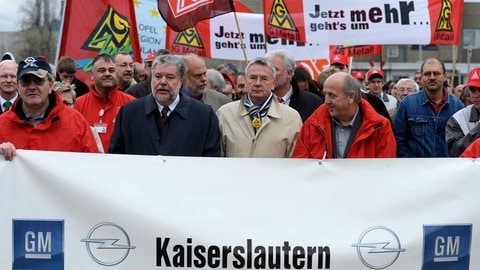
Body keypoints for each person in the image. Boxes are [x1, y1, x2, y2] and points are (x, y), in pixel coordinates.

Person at [109, 54, 221, 156]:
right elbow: (116, 156)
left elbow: (211, 160)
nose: (162, 82)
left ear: (181, 81)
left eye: (170, 77)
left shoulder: (204, 115)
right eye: (158, 76)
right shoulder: (129, 113)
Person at [0, 56, 99, 160]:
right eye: (26, 81)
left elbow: (93, 166)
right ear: (18, 86)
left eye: (39, 80)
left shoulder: (76, 123)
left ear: (51, 85)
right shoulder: (2, 124)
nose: (32, 87)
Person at [292, 72, 396, 159]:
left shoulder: (380, 128)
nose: (326, 101)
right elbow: (301, 167)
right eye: (325, 95)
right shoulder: (312, 125)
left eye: (332, 95)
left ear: (351, 97)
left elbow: (385, 170)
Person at [216, 57, 302, 157]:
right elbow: (217, 159)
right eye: (253, 78)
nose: (257, 83)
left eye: (264, 79)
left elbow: (296, 162)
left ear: (273, 83)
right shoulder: (225, 114)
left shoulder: (291, 117)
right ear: (245, 81)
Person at [394, 57, 464, 157]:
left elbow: (462, 144)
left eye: (436, 73)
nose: (432, 77)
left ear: (445, 76)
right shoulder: (407, 104)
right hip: (416, 170)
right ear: (422, 77)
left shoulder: (458, 106)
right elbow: (398, 140)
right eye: (427, 74)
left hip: (448, 170)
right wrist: (407, 165)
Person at [75, 54, 135, 152]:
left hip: (119, 164)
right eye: (102, 70)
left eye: (111, 70)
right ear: (92, 75)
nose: (107, 74)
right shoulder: (78, 104)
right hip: (88, 164)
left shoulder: (131, 103)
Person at [265, 49, 323, 122]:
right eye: (267, 69)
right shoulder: (256, 100)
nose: (269, 74)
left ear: (289, 73)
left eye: (275, 70)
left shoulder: (313, 102)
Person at [52, 81, 105, 153]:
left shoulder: (89, 131)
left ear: (74, 105)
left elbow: (98, 160)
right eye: (59, 103)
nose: (64, 107)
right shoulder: (41, 131)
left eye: (68, 103)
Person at [445, 67, 480, 157]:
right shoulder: (458, 119)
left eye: (479, 90)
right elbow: (455, 152)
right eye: (472, 90)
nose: (476, 95)